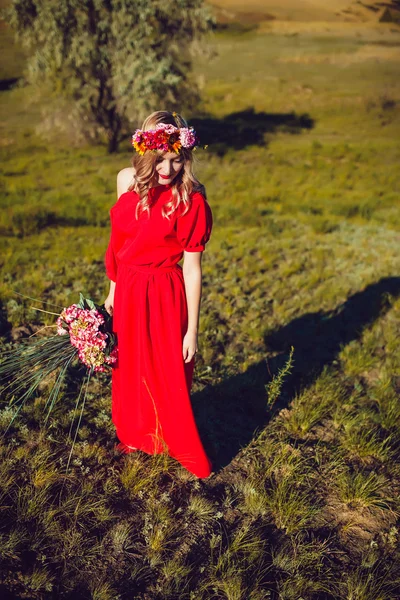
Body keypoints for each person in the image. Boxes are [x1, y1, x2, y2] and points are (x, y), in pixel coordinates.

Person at [104, 110, 213, 479]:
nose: (168, 169)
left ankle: (169, 438)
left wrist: (192, 329)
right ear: (145, 152)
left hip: (165, 291)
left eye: (177, 160)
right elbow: (119, 242)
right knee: (130, 366)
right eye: (161, 160)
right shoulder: (126, 181)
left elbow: (193, 268)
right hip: (130, 287)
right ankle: (136, 434)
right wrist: (113, 288)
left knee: (165, 369)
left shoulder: (190, 199)